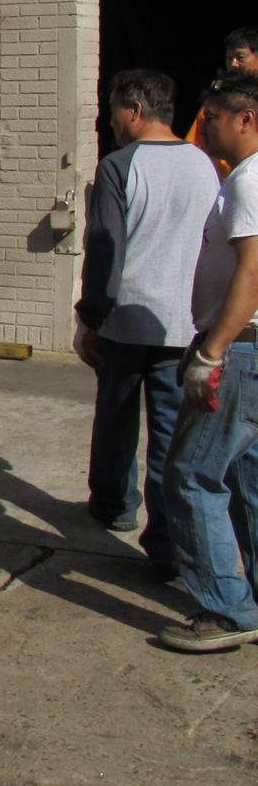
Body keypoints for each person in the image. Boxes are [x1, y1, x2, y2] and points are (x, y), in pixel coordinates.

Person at [73, 70, 220, 569]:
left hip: (126, 321)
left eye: (115, 110)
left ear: (134, 109)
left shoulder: (120, 166)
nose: (110, 120)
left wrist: (90, 317)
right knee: (170, 436)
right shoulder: (205, 165)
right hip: (184, 322)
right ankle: (166, 543)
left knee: (116, 420)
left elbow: (105, 250)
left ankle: (114, 506)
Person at [158, 70, 258, 652]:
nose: (206, 126)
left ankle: (226, 610)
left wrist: (210, 352)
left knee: (193, 477)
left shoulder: (248, 183)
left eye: (213, 117)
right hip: (248, 348)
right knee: (247, 477)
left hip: (240, 348)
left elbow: (251, 274)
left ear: (245, 119)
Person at [183, 27, 258, 178]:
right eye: (229, 58)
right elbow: (194, 146)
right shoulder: (217, 100)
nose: (233, 64)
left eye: (240, 57)